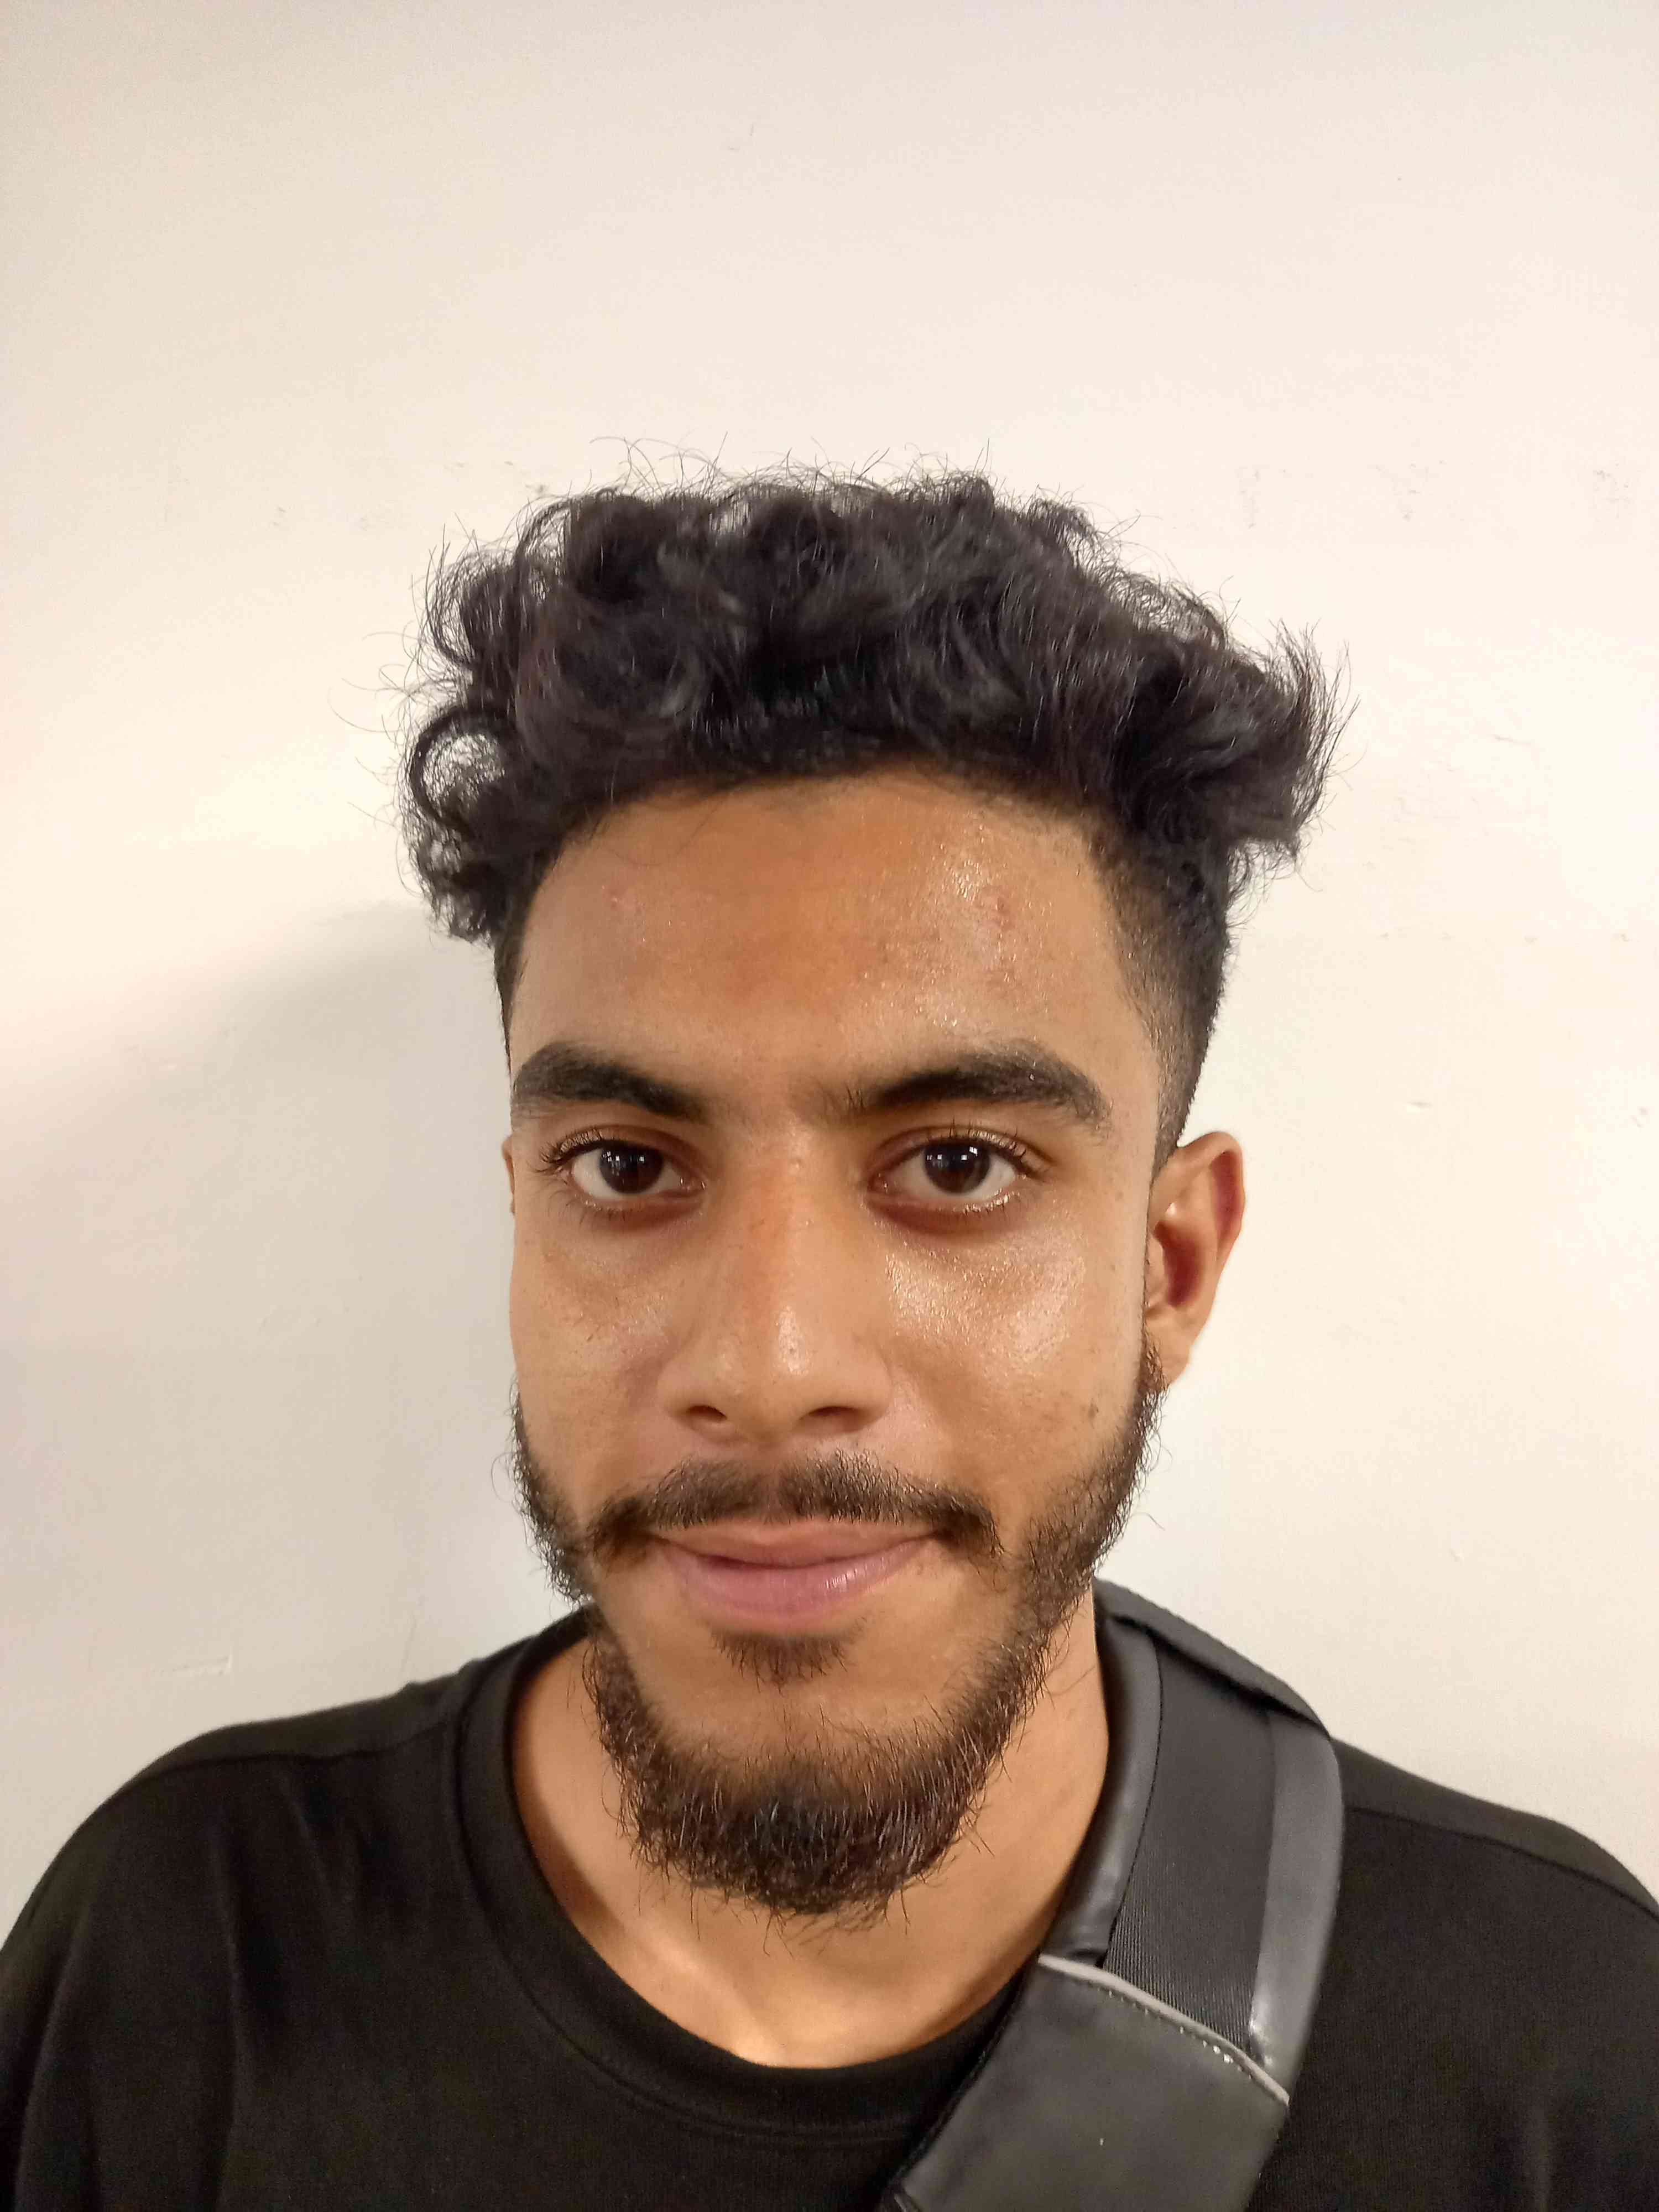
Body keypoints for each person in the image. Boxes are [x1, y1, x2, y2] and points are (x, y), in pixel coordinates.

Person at [2, 469, 1654, 2210]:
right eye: (626, 1167)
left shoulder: (1560, 2052)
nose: (772, 1365)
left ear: (1170, 1266)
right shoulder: (183, 1951)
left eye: (958, 1166)